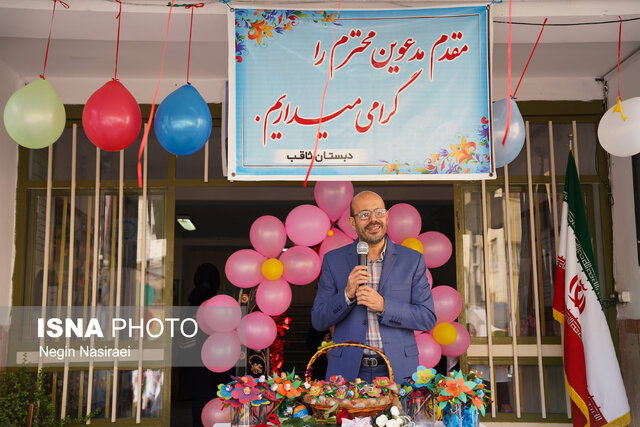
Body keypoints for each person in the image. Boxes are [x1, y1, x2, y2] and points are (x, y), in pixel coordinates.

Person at [311, 191, 436, 383]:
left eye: (378, 212)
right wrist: (346, 295)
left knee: (399, 415)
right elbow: (319, 320)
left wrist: (384, 306)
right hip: (347, 373)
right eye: (364, 214)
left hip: (397, 370)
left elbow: (427, 318)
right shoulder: (333, 261)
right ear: (352, 223)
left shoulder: (412, 260)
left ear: (387, 216)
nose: (373, 219)